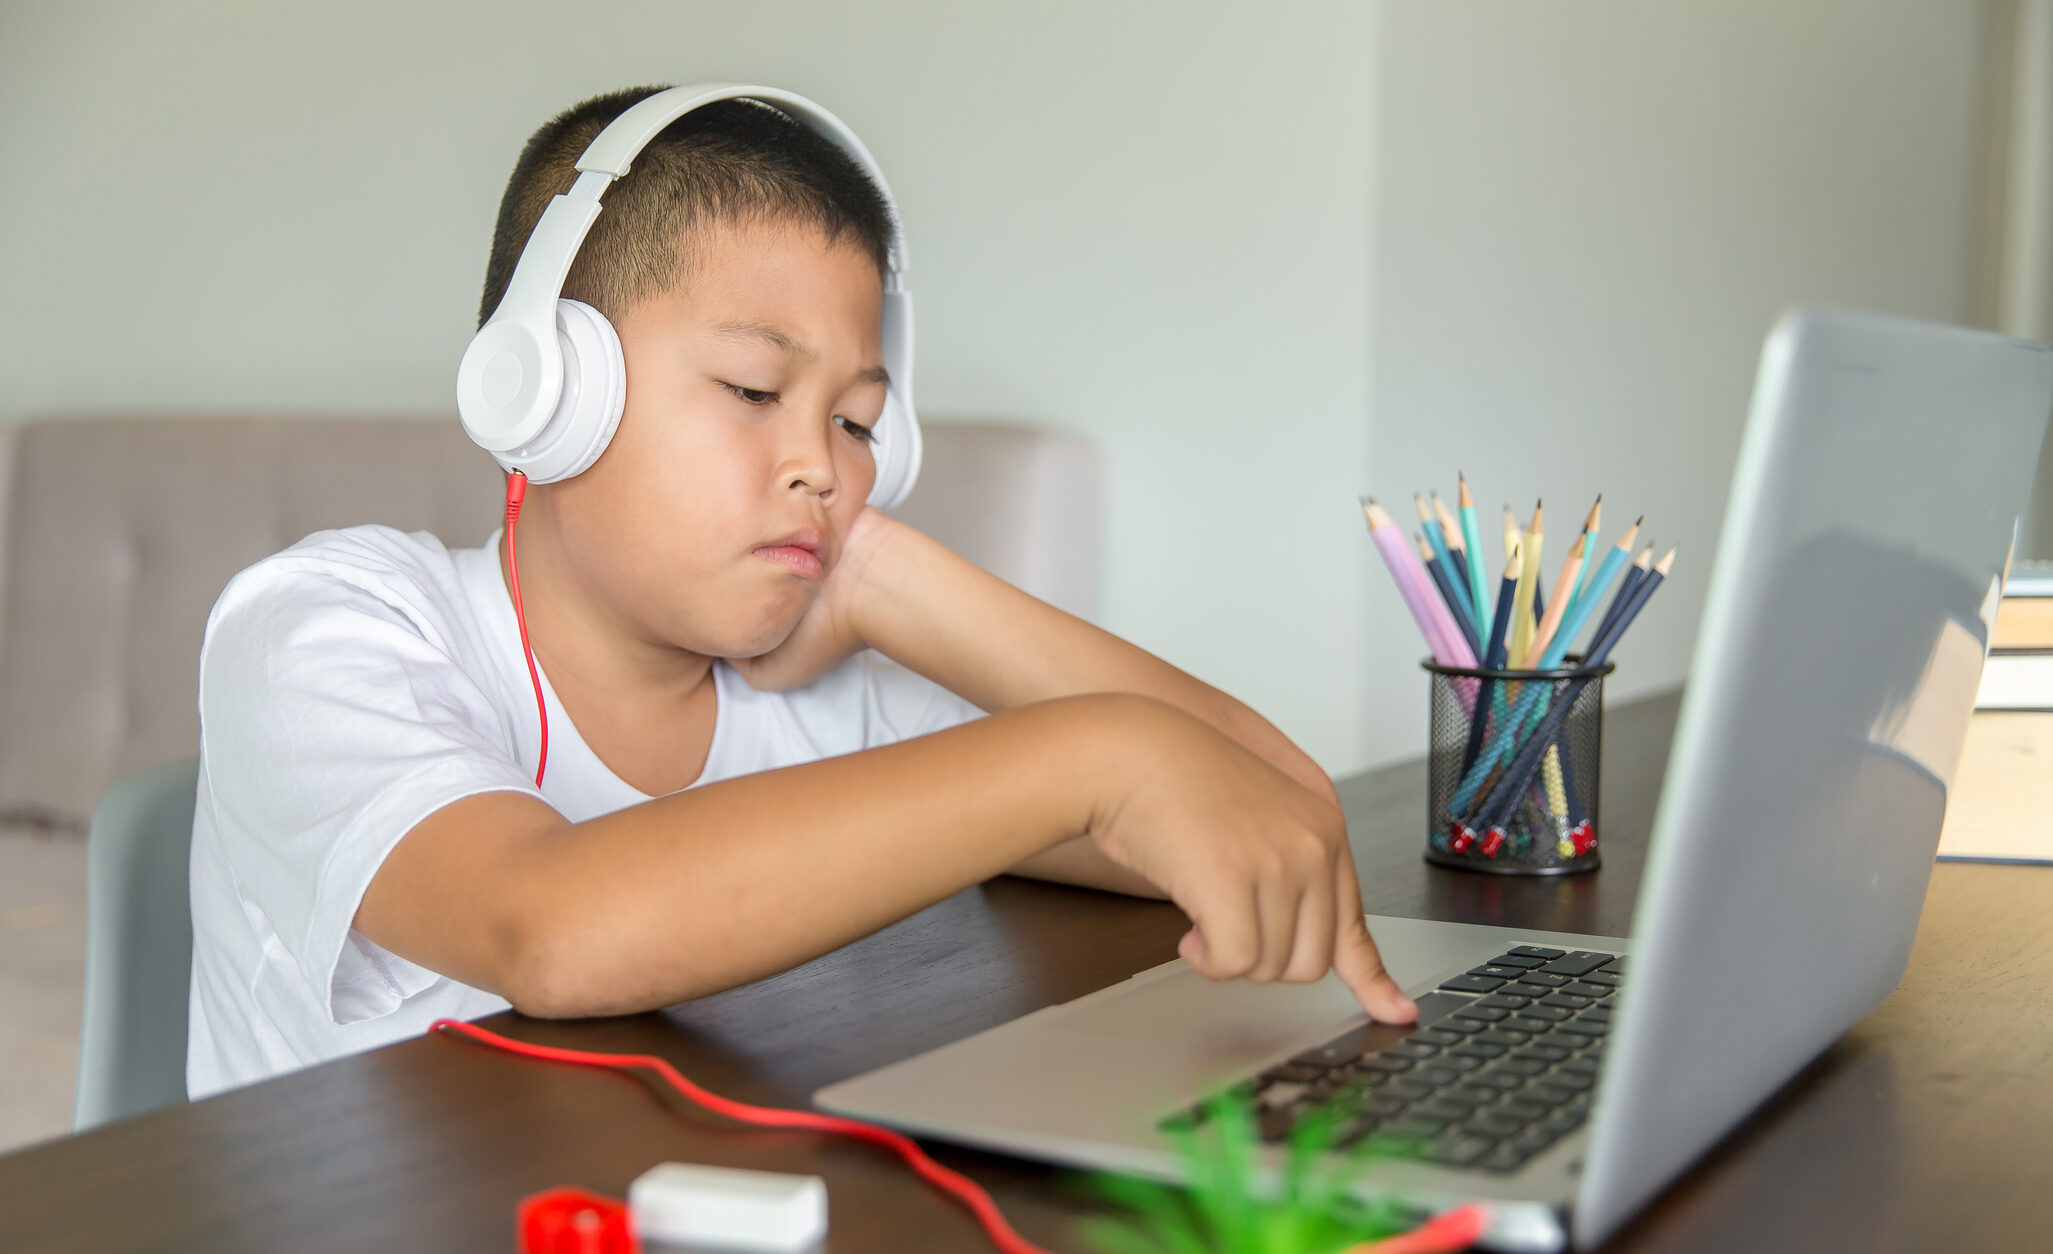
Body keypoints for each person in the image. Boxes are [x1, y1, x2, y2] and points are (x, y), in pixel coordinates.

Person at [185, 87, 1414, 1099]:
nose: (819, 466)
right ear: (547, 393)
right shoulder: (324, 626)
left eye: (857, 421)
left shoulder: (828, 698)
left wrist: (892, 575)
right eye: (754, 391)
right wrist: (1101, 754)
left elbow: (1277, 823)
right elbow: (550, 930)